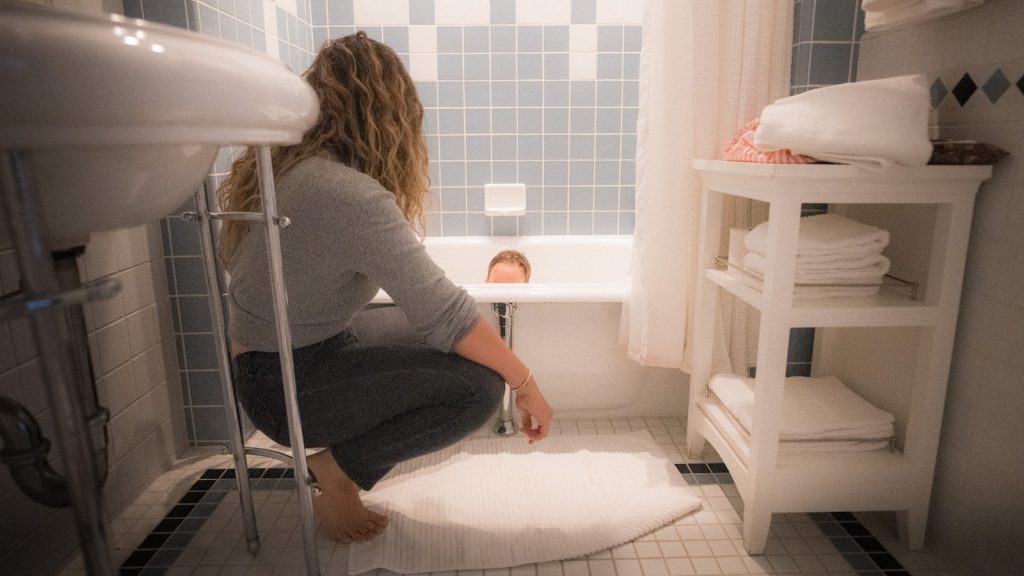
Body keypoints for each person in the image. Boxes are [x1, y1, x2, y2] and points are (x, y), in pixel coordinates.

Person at [217, 32, 553, 544]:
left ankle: (342, 462)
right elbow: (448, 315)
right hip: (286, 388)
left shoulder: (294, 172)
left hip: (273, 363)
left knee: (449, 341)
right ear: (389, 115)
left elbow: (438, 316)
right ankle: (338, 471)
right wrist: (525, 383)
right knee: (481, 387)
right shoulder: (345, 194)